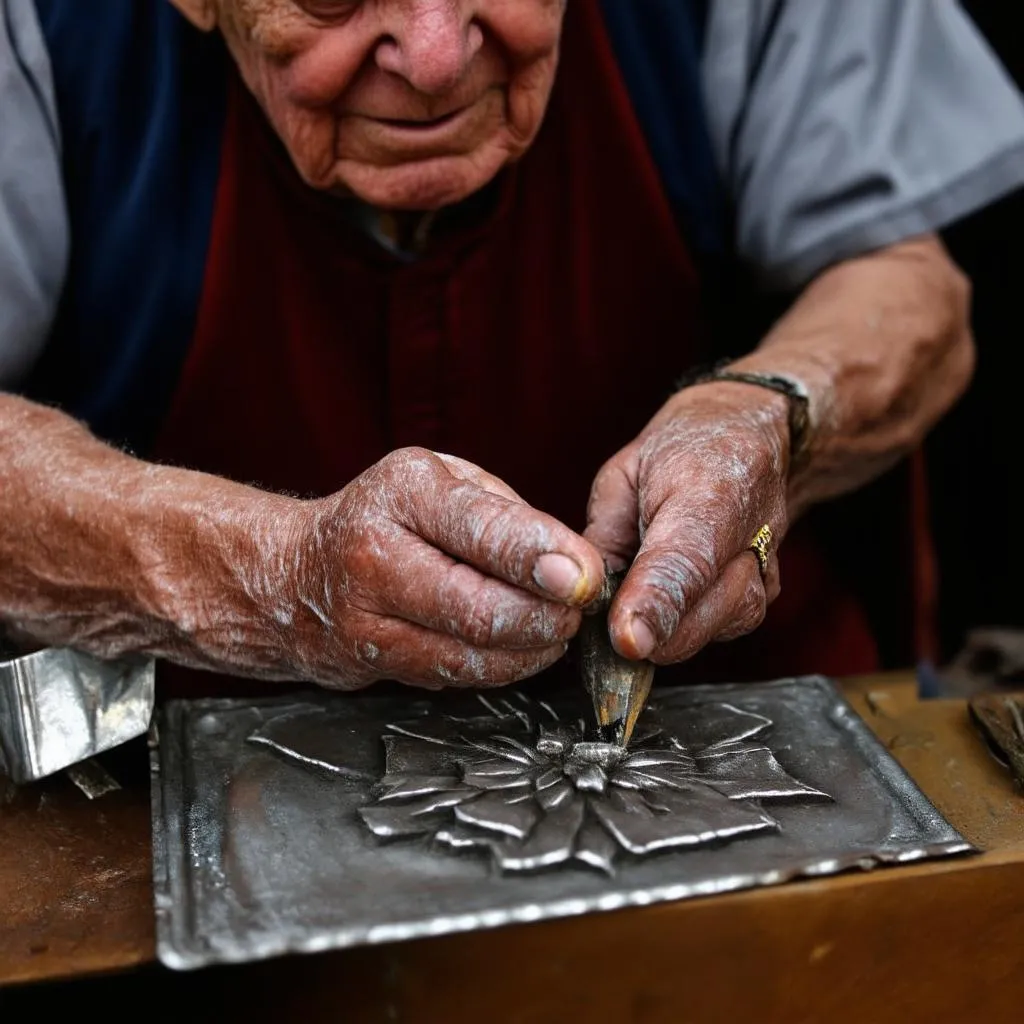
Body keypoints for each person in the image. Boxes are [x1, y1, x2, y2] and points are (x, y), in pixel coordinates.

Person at [1, 0, 1023, 697]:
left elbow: (906, 286)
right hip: (178, 802)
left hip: (735, 796)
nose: (437, 55)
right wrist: (264, 574)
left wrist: (768, 414)